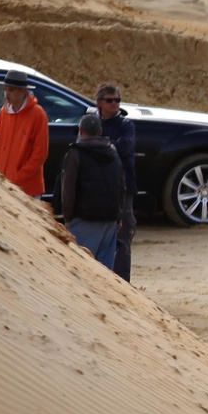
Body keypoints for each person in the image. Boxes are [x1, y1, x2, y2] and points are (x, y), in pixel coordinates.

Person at [54, 110, 129, 269]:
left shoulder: (75, 153)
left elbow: (68, 189)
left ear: (81, 131)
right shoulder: (113, 151)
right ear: (100, 132)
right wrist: (118, 216)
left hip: (84, 219)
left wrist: (67, 217)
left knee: (80, 267)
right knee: (104, 270)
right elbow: (121, 185)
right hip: (109, 220)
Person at [94, 81, 139, 281]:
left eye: (117, 100)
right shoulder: (92, 123)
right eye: (110, 100)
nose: (115, 104)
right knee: (98, 232)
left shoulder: (126, 124)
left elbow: (125, 148)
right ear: (99, 103)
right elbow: (84, 146)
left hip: (123, 186)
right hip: (97, 185)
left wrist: (102, 145)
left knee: (124, 234)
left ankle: (123, 282)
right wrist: (109, 145)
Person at [0, 71, 50, 198]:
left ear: (23, 91)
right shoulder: (3, 112)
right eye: (5, 89)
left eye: (11, 90)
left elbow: (40, 154)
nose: (7, 94)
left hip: (27, 190)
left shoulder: (38, 115)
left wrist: (18, 178)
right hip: (2, 185)